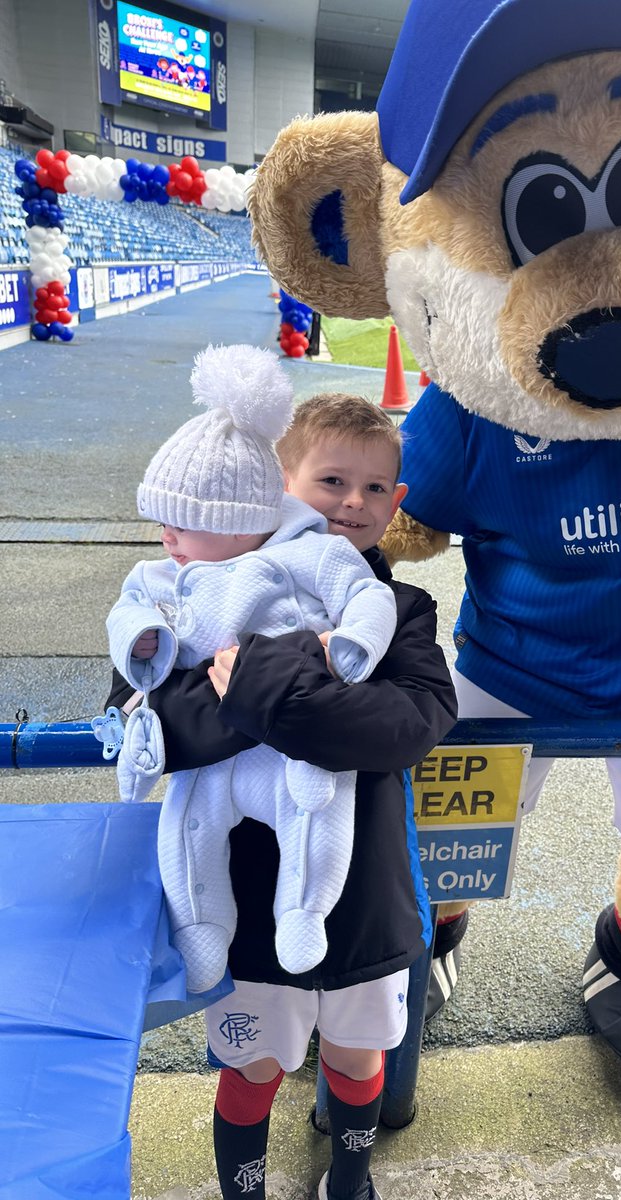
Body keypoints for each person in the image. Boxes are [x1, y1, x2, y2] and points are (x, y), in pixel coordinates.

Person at [105, 390, 457, 1200]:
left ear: (397, 503)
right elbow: (146, 719)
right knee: (254, 1062)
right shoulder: (189, 593)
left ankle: (351, 1179)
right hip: (247, 900)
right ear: (277, 486)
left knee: (357, 1058)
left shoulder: (402, 611)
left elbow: (407, 726)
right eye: (332, 480)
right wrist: (297, 674)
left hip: (367, 893)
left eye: (375, 488)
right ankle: (245, 1189)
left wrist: (264, 677)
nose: (353, 503)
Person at [106, 345, 398, 995]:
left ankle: (303, 909)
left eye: (184, 524)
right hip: (213, 765)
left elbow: (370, 601)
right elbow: (126, 618)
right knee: (186, 822)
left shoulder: (306, 559)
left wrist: (349, 646)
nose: (167, 539)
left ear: (240, 526)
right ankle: (200, 930)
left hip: (289, 754)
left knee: (315, 806)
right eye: (164, 523)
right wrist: (145, 640)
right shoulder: (162, 579)